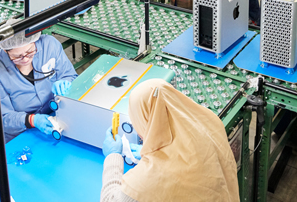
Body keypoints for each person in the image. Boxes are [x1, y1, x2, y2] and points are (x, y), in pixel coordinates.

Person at [99, 79, 239, 202]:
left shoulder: (149, 180)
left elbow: (109, 199)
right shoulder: (210, 123)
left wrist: (113, 157)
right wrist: (152, 154)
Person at [0, 31, 77, 142]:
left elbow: (70, 75)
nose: (25, 59)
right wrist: (31, 120)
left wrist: (66, 82)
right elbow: (1, 118)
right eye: (17, 56)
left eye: (30, 52)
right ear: (5, 51)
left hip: (58, 119)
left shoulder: (49, 45)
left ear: (34, 42)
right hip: (19, 134)